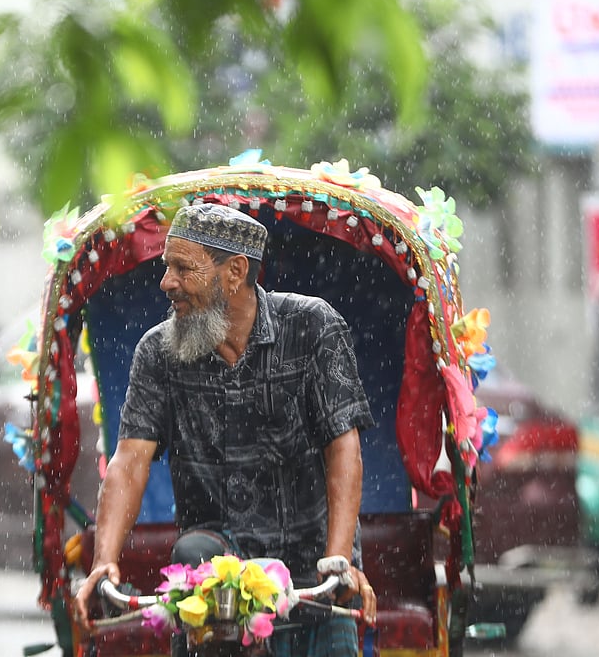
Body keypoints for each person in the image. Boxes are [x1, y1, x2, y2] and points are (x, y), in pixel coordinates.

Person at [74, 202, 378, 654]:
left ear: (235, 272)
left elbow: (343, 447)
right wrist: (104, 563)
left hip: (312, 564)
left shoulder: (313, 327)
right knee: (193, 554)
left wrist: (337, 560)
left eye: (182, 268)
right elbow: (130, 461)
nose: (166, 283)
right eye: (165, 267)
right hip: (213, 574)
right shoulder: (158, 351)